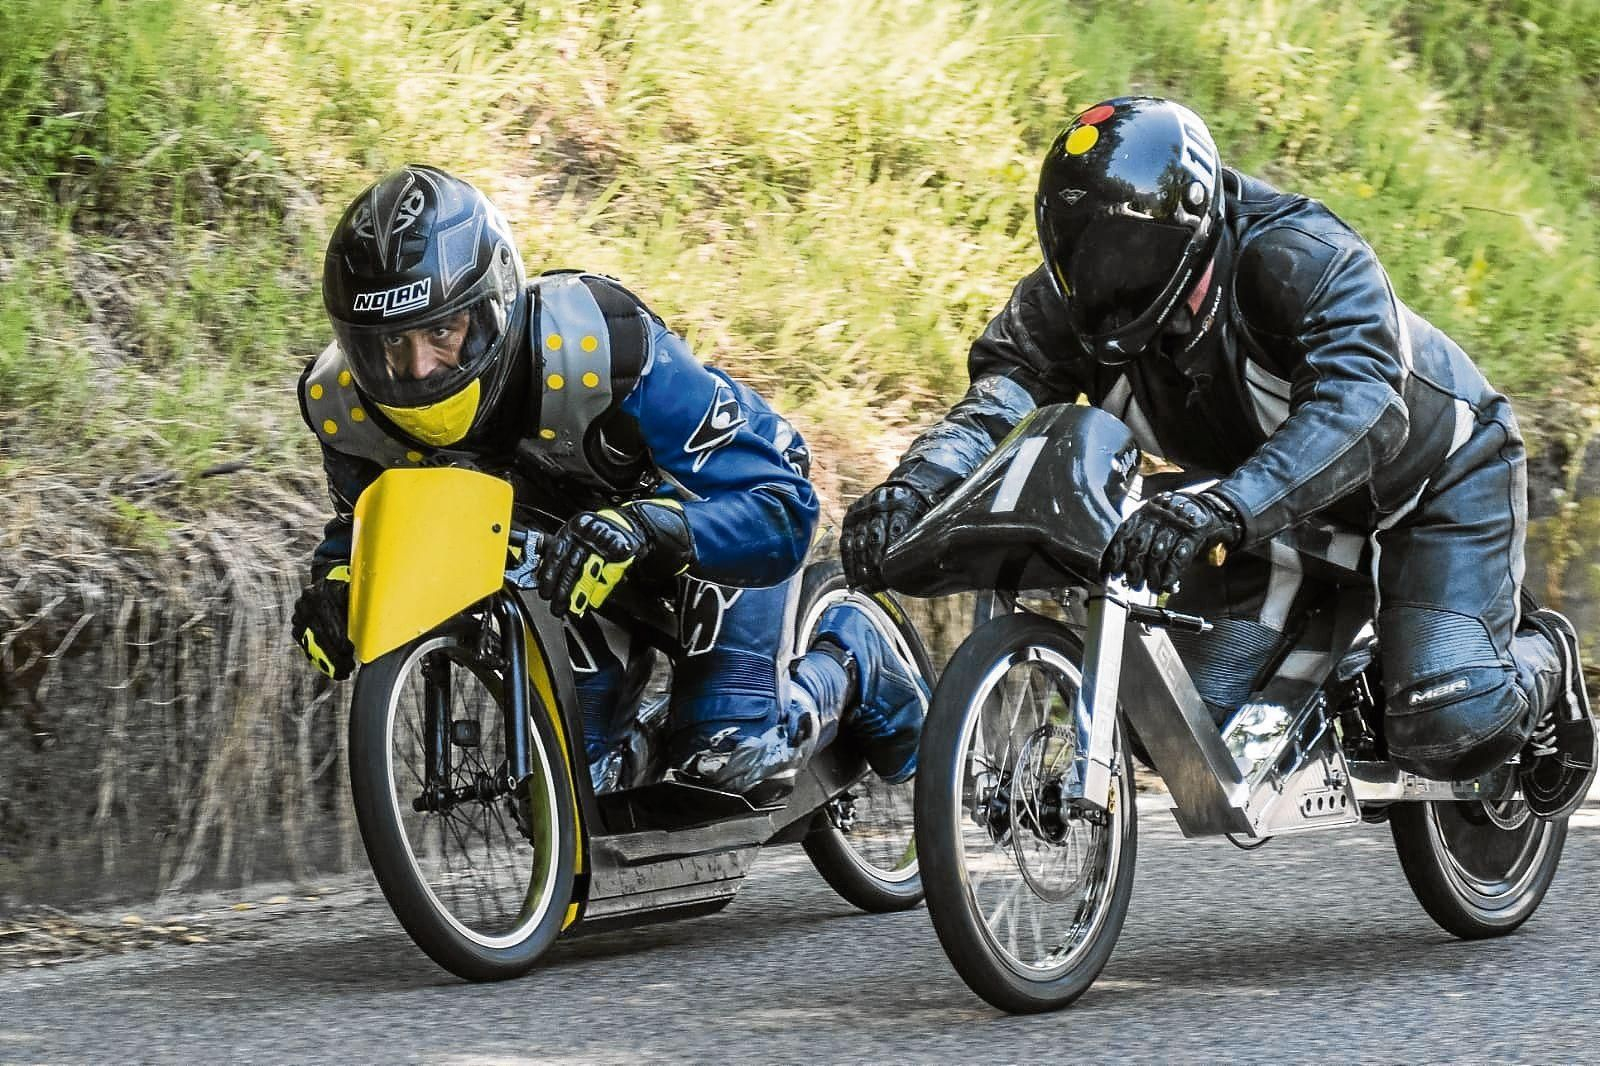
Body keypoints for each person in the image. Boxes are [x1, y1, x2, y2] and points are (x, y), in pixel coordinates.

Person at [842, 97, 1596, 819]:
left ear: (1195, 220)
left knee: (1447, 723)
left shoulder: (1298, 256)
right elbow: (992, 415)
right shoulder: (1066, 311)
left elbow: (1363, 413)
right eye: (1081, 253)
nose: (1105, 277)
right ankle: (1356, 660)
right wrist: (909, 494)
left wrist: (1222, 507)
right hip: (1263, 511)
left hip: (1435, 479)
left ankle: (1544, 662)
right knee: (1163, 719)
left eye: (1128, 248)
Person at [290, 164, 922, 801]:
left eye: (442, 332)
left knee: (731, 754)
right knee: (572, 787)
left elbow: (782, 507)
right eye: (392, 343)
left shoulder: (595, 342)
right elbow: (363, 530)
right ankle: (667, 734)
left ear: (492, 306)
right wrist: (337, 589)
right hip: (574, 566)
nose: (419, 368)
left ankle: (853, 653)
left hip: (710, 518)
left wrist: (649, 526)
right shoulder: (342, 406)